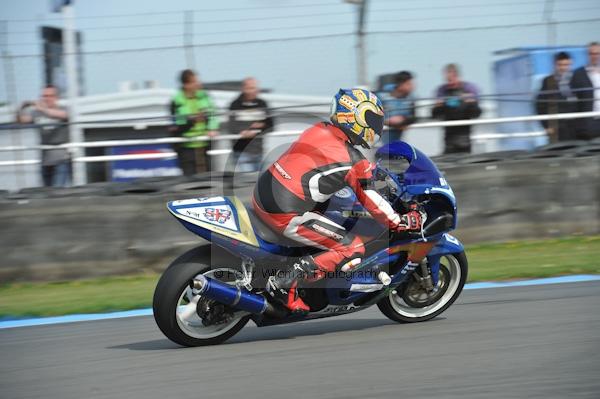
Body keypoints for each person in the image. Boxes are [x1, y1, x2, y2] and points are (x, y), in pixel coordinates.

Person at [252, 88, 423, 313]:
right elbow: (372, 200)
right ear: (355, 118)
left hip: (263, 194)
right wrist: (401, 221)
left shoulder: (319, 130)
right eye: (372, 120)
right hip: (285, 212)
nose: (376, 127)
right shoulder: (353, 161)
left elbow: (321, 170)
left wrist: (374, 175)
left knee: (333, 211)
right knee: (351, 247)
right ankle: (287, 283)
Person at [16, 85, 71, 187]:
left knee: (59, 191)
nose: (47, 98)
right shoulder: (37, 113)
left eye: (50, 96)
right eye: (44, 96)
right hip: (45, 160)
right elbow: (21, 121)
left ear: (56, 97)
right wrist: (22, 107)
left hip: (62, 159)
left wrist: (42, 108)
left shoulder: (64, 109)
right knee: (47, 192)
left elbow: (63, 115)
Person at [169, 69, 219, 175]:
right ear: (186, 84)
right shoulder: (176, 100)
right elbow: (177, 124)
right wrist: (193, 120)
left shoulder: (205, 96)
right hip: (187, 148)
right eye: (194, 82)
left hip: (204, 144)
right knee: (191, 181)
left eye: (197, 81)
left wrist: (212, 128)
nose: (198, 84)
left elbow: (213, 114)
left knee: (208, 180)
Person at [432, 64, 481, 154]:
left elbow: (477, 113)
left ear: (457, 76)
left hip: (464, 138)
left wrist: (472, 103)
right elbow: (435, 115)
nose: (449, 82)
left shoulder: (469, 89)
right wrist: (438, 105)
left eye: (451, 78)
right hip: (448, 138)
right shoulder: (442, 91)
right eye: (447, 79)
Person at [228, 77, 274, 172]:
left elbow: (271, 125)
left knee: (258, 182)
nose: (253, 91)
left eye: (254, 88)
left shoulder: (263, 104)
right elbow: (232, 126)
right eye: (250, 88)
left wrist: (257, 129)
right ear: (243, 88)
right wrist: (247, 131)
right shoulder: (235, 105)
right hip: (241, 152)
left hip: (259, 151)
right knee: (249, 182)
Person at [535, 52, 577, 142]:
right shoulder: (548, 81)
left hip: (576, 127)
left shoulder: (576, 79)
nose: (563, 68)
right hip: (557, 129)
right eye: (560, 65)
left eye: (566, 65)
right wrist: (546, 126)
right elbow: (540, 105)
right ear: (555, 65)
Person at [570, 42, 600, 140]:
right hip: (588, 124)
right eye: (592, 53)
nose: (594, 56)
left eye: (597, 53)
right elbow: (573, 101)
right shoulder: (578, 74)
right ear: (587, 54)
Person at [379, 71, 417, 144]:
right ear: (400, 84)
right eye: (409, 84)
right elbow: (371, 116)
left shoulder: (411, 98)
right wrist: (387, 121)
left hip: (396, 142)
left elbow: (413, 117)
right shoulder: (381, 95)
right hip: (378, 143)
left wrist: (403, 120)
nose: (412, 86)